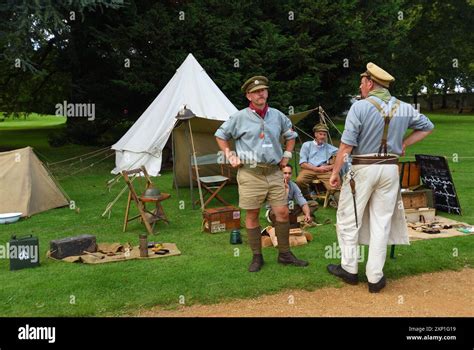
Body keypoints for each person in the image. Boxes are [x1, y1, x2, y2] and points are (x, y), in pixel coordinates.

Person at [327, 62, 434, 292]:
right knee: (381, 221)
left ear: (370, 83)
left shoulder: (359, 107)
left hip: (363, 168)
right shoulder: (404, 107)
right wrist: (404, 143)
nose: (360, 86)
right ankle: (375, 277)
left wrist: (335, 172)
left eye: (362, 83)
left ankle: (349, 268)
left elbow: (345, 146)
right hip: (390, 169)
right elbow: (427, 127)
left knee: (348, 219)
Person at [215, 75, 309, 272]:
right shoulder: (239, 117)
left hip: (274, 172)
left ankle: (284, 254)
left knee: (282, 212)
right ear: (249, 96)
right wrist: (230, 154)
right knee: (252, 214)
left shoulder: (278, 115)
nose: (261, 94)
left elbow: (291, 136)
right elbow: (220, 135)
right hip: (250, 173)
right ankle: (257, 256)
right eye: (256, 92)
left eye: (263, 90)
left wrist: (287, 154)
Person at [295, 123, 339, 198]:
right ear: (315, 134)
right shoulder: (307, 145)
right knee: (299, 181)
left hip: (324, 171)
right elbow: (302, 163)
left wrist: (329, 167)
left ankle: (340, 204)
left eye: (324, 135)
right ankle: (307, 198)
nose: (322, 137)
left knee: (334, 185)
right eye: (320, 134)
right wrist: (317, 169)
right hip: (309, 169)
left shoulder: (329, 147)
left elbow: (342, 156)